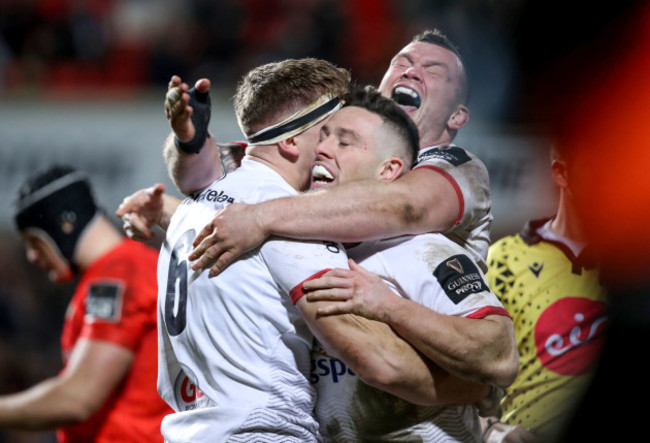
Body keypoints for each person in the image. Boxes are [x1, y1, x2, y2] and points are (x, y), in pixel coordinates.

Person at [118, 28, 515, 390]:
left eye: (433, 70)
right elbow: (221, 175)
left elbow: (406, 206)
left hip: (424, 405)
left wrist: (260, 217)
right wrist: (188, 146)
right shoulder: (329, 171)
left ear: (458, 115)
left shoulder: (454, 173)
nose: (412, 73)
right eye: (402, 63)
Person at [303, 85, 515, 441]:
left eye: (345, 142)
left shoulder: (424, 252)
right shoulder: (302, 248)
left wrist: (389, 307)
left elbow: (500, 356)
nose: (322, 149)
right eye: (323, 138)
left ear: (388, 170)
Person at [2, 165, 171, 442]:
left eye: (34, 240)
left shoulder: (118, 276)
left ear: (65, 224)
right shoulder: (135, 266)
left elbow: (77, 399)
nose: (32, 256)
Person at [481, 144, 608, 442]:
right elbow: (462, 374)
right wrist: (490, 430)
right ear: (561, 173)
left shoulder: (635, 268)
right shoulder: (501, 261)